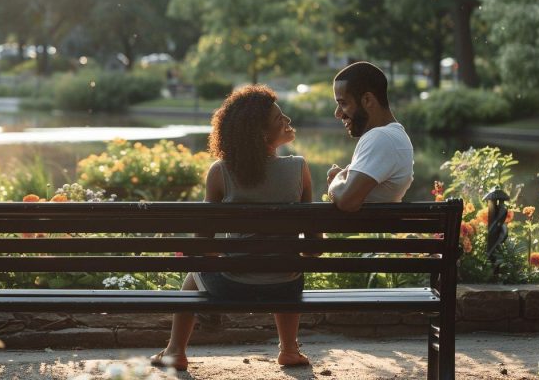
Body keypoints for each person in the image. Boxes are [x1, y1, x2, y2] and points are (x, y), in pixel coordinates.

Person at [151, 85, 313, 371]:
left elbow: (202, 244)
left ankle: (175, 350)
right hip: (285, 286)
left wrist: (231, 261)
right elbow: (314, 245)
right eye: (279, 119)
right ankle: (288, 349)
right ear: (264, 136)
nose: (287, 119)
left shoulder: (220, 172)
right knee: (286, 266)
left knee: (194, 272)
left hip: (230, 285)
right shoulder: (299, 168)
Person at [326, 62, 414, 211]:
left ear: (367, 100)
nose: (338, 113)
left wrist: (338, 178)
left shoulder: (381, 137)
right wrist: (346, 178)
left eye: (343, 103)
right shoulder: (394, 136)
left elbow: (347, 201)